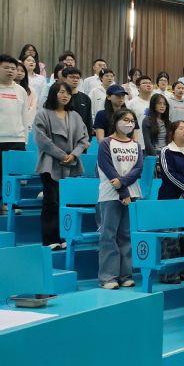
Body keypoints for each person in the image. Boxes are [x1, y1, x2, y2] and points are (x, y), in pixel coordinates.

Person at [33, 82, 90, 249]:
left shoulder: (75, 116)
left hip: (71, 164)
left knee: (66, 202)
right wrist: (61, 155)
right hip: (50, 164)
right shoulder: (43, 114)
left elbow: (84, 139)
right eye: (62, 92)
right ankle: (50, 239)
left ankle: (63, 236)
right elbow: (41, 139)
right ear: (53, 94)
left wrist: (74, 154)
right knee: (51, 202)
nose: (65, 96)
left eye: (68, 93)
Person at [96, 108, 143, 289]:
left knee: (126, 235)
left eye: (132, 120)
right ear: (115, 121)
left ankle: (125, 275)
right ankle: (108, 277)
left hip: (132, 194)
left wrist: (123, 185)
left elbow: (138, 169)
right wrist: (123, 192)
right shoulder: (106, 143)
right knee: (109, 235)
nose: (129, 123)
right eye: (125, 119)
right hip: (110, 195)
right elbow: (107, 168)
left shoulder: (135, 145)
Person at [158, 120, 184, 284]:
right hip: (170, 201)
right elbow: (169, 175)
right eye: (181, 128)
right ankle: (169, 274)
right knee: (171, 238)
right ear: (172, 133)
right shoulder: (166, 151)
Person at [0, 56, 29, 207]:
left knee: (13, 177)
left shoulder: (21, 90)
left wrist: (25, 140)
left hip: (17, 140)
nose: (10, 71)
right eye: (6, 67)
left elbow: (24, 116)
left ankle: (10, 206)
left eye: (13, 68)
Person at [14, 61, 38, 131]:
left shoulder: (31, 90)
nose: (19, 73)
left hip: (25, 124)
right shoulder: (7, 88)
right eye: (17, 70)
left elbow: (33, 108)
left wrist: (26, 121)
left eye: (22, 71)